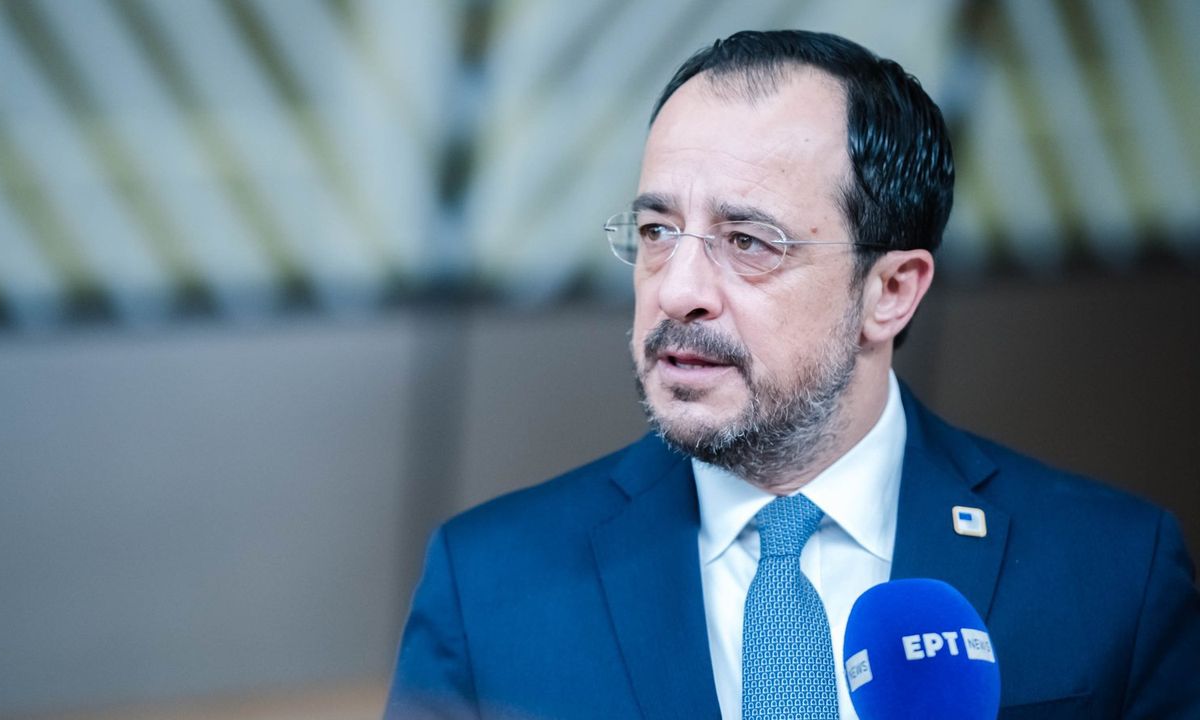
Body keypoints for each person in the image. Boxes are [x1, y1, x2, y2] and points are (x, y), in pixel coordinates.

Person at [385, 30, 1200, 720]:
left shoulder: (1112, 571)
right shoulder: (488, 586)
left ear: (890, 291)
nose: (676, 290)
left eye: (748, 242)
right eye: (658, 230)